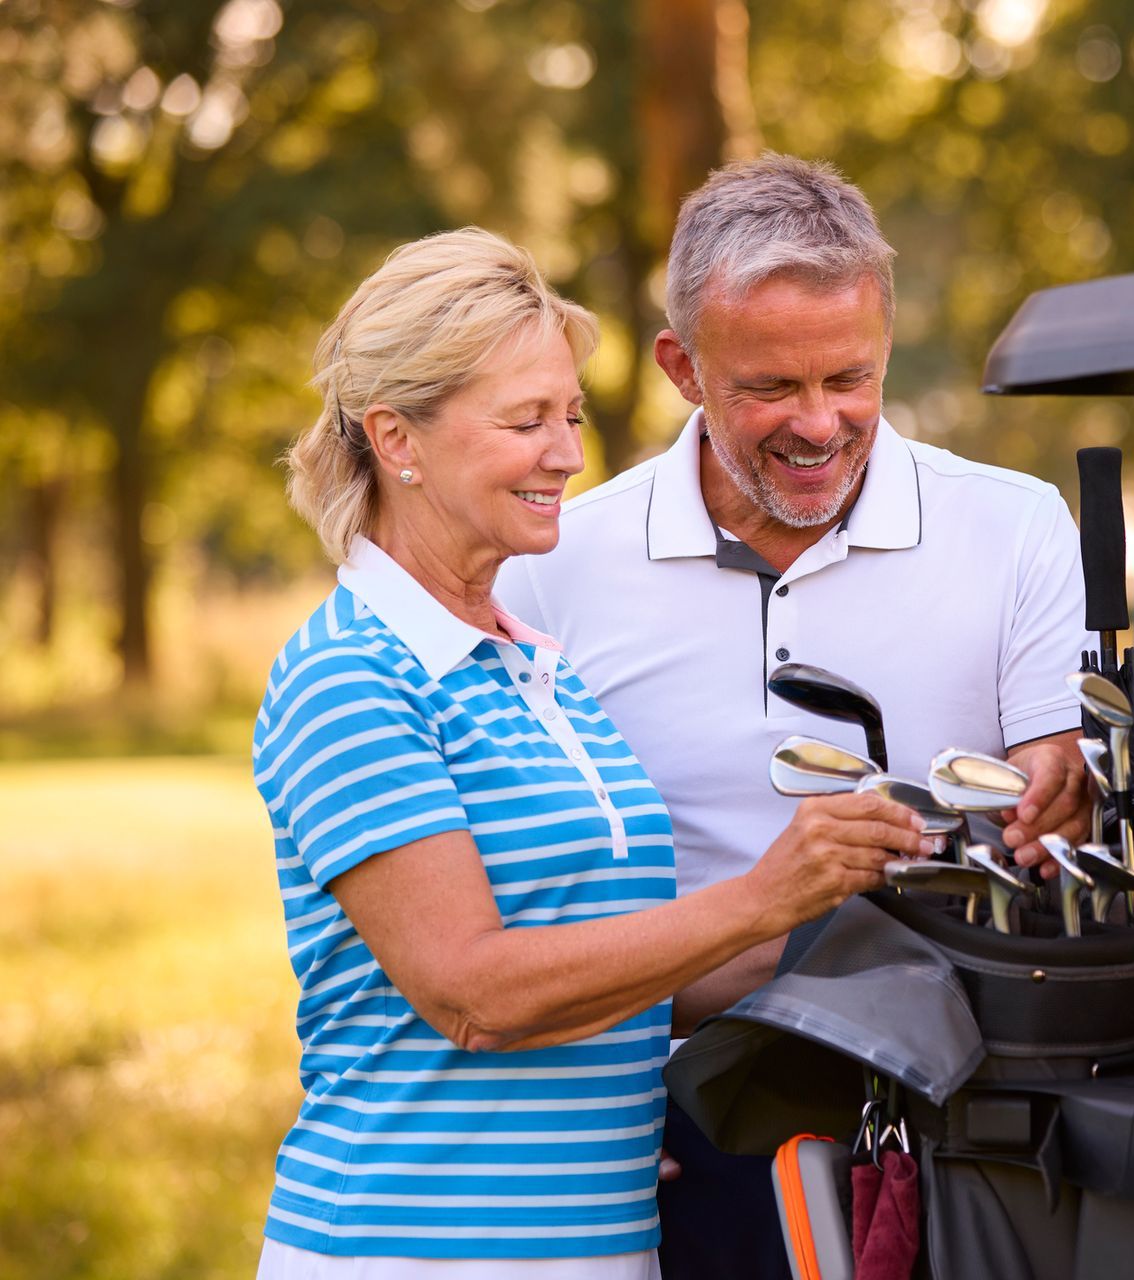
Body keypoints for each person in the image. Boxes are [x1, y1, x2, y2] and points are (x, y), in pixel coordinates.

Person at [251, 227, 929, 1277]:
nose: (567, 452)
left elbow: (637, 968)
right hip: (416, 1247)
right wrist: (759, 895)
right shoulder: (351, 673)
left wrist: (892, 915)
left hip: (601, 1249)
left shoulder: (540, 669)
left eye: (567, 415)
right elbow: (473, 991)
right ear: (398, 438)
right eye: (525, 420)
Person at [495, 153, 1094, 1279]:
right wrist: (575, 1112)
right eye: (772, 387)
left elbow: (1056, 797)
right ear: (682, 364)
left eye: (850, 378)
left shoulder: (1016, 526)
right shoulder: (555, 563)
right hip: (671, 1113)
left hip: (948, 1109)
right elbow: (511, 893)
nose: (820, 425)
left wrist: (1063, 781)